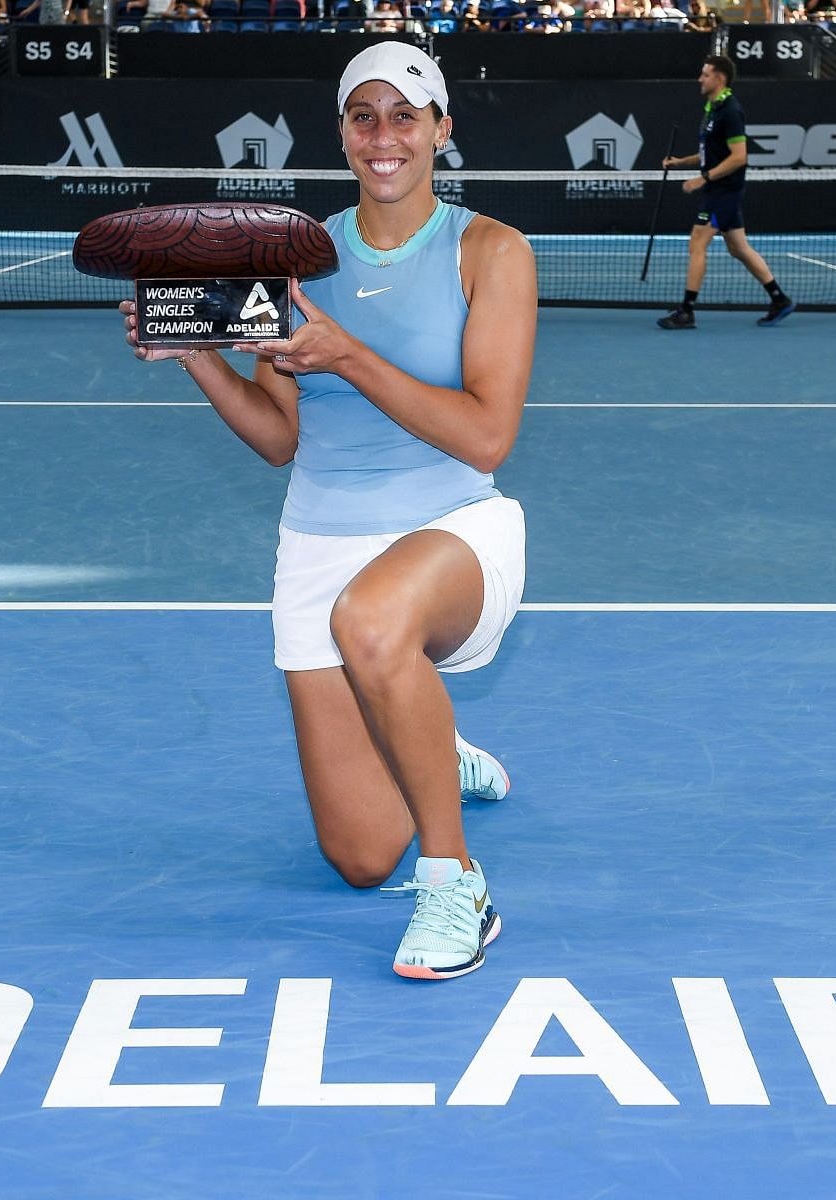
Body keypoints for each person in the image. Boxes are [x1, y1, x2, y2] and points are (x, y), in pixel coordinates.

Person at [118, 43, 533, 981]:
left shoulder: (491, 251)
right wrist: (195, 354)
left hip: (458, 533)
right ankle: (430, 740)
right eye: (364, 117)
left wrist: (346, 356)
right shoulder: (297, 257)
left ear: (441, 132)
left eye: (405, 116)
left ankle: (456, 882)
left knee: (373, 618)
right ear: (343, 134)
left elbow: (486, 438)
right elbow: (277, 438)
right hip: (319, 540)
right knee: (356, 857)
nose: (384, 137)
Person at [657, 55, 794, 330]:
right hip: (719, 190)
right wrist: (682, 162)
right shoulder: (714, 108)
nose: (700, 79)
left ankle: (687, 311)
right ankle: (779, 299)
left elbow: (739, 157)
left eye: (705, 74)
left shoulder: (731, 111)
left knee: (697, 243)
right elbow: (712, 152)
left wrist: (702, 179)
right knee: (738, 247)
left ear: (719, 78)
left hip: (723, 191)